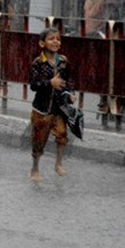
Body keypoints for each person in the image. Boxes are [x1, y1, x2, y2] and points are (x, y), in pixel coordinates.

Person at [29, 27, 74, 185]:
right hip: (42, 109)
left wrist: (70, 93)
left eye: (58, 39)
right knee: (39, 141)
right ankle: (35, 168)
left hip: (58, 108)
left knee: (62, 135)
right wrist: (50, 83)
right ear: (42, 43)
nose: (55, 41)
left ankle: (59, 164)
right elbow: (34, 85)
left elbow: (68, 81)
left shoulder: (63, 61)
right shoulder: (37, 63)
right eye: (51, 39)